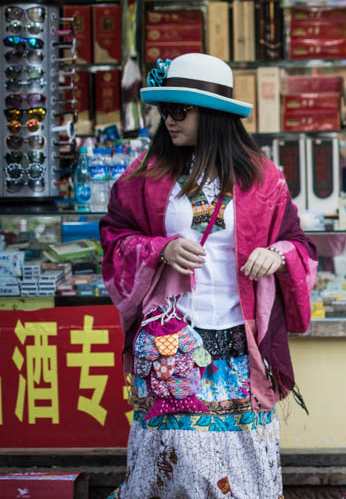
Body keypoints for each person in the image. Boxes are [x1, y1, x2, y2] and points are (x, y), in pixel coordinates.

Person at [100, 53, 317, 497]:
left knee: (244, 466)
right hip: (171, 346)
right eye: (165, 111)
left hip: (240, 347)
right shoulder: (144, 176)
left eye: (180, 111)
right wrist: (160, 249)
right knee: (177, 460)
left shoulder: (262, 178)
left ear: (213, 114)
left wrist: (276, 254)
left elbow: (300, 244)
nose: (169, 121)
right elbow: (114, 239)